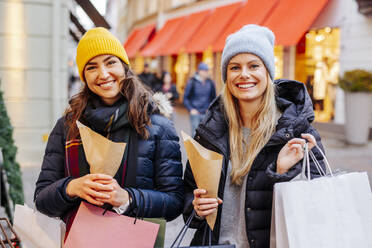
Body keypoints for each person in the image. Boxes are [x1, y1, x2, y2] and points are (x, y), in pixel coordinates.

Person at [183, 24, 325, 248]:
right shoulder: (210, 131)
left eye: (254, 65)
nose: (244, 74)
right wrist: (198, 208)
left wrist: (282, 174)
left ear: (267, 72)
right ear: (226, 75)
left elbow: (314, 208)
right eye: (235, 67)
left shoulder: (297, 133)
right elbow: (187, 196)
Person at [34, 27, 184, 234]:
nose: (103, 74)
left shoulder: (158, 126)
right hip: (80, 241)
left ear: (124, 66)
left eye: (110, 62)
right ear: (84, 76)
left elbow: (175, 202)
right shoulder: (68, 126)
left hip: (136, 242)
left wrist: (127, 199)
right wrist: (72, 187)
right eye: (92, 67)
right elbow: (42, 200)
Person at [183, 62, 216, 135]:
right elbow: (185, 98)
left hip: (206, 114)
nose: (207, 72)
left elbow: (214, 98)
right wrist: (191, 109)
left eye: (207, 71)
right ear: (199, 71)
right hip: (195, 113)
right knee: (195, 135)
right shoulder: (192, 82)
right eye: (205, 71)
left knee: (206, 135)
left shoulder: (210, 82)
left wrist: (210, 109)